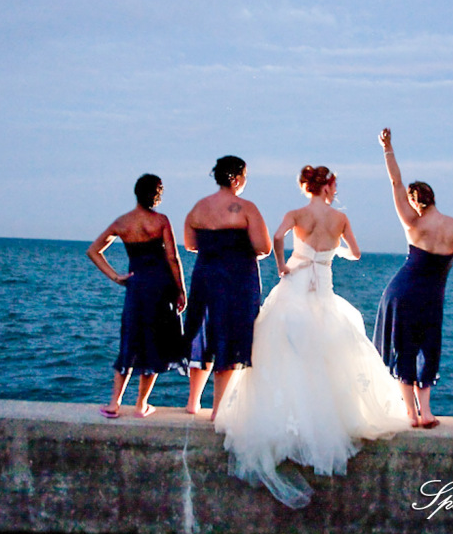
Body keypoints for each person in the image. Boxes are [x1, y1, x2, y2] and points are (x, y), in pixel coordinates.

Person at [214, 165, 409, 508]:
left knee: (282, 353)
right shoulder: (340, 219)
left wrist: (281, 266)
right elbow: (357, 253)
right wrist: (335, 253)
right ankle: (322, 425)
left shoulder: (297, 214)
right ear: (328, 186)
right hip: (323, 290)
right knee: (325, 354)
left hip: (295, 286)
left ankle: (287, 423)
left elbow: (276, 238)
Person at [373, 128, 453, 429]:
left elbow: (395, 181)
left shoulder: (412, 222)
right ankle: (426, 412)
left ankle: (411, 414)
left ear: (415, 202)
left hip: (402, 292)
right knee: (428, 349)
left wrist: (387, 147)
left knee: (403, 349)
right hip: (432, 297)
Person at [87, 173, 187, 419]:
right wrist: (181, 289)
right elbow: (173, 258)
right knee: (154, 343)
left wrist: (116, 276)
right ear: (156, 195)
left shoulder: (122, 223)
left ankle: (114, 404)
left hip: (137, 287)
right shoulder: (161, 221)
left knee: (130, 341)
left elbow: (94, 251)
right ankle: (141, 405)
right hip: (161, 287)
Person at [183, 156, 272, 420]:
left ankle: (193, 402)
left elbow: (189, 243)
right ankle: (219, 409)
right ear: (237, 178)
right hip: (236, 279)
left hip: (206, 275)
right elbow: (264, 247)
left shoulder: (199, 207)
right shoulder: (245, 208)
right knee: (229, 335)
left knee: (204, 332)